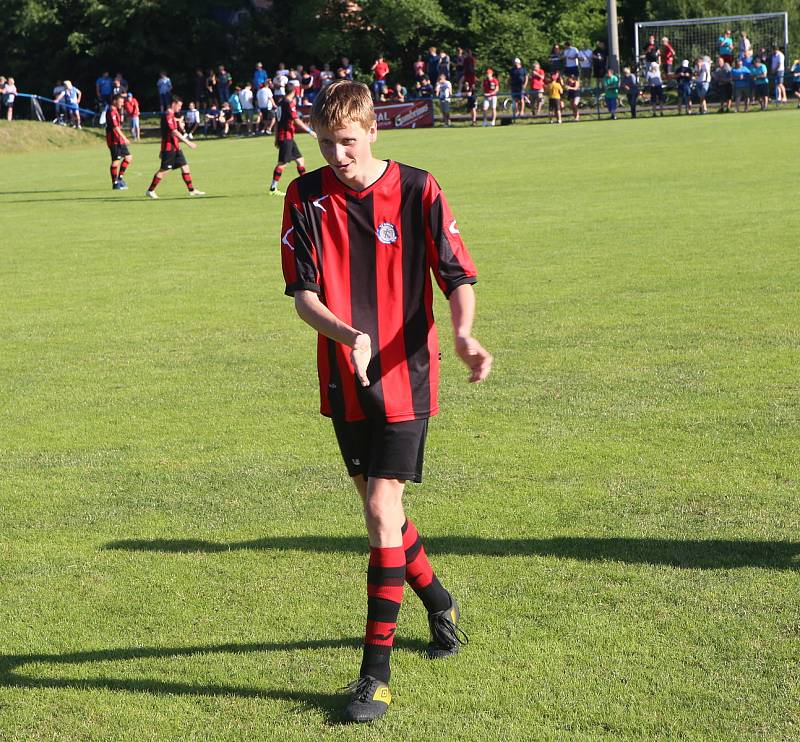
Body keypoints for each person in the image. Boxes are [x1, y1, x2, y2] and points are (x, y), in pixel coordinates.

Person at [279, 78, 491, 724]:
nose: (335, 156)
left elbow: (455, 273)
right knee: (384, 518)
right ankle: (440, 601)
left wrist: (462, 335)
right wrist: (349, 334)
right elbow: (302, 292)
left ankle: (376, 675)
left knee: (380, 510)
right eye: (323, 144)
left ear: (373, 130)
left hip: (406, 374)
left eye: (345, 142)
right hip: (344, 375)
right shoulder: (304, 196)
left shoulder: (420, 188)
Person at [146, 96, 204, 199]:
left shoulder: (172, 115)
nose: (180, 108)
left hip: (176, 147)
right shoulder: (168, 114)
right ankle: (150, 190)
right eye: (179, 106)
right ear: (174, 104)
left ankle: (192, 190)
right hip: (169, 148)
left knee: (185, 166)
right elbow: (173, 131)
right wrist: (188, 143)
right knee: (164, 171)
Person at [269, 81, 317, 196]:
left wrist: (276, 138)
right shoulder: (289, 103)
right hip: (286, 137)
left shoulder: (280, 103)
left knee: (300, 160)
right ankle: (273, 188)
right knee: (282, 163)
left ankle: (306, 186)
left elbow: (277, 122)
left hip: (286, 137)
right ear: (295, 91)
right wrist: (310, 131)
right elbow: (296, 120)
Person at [105, 93, 132, 190]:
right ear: (114, 101)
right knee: (115, 161)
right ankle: (115, 183)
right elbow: (115, 127)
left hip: (118, 139)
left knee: (128, 158)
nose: (122, 104)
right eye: (120, 102)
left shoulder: (115, 110)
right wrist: (124, 137)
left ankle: (120, 179)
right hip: (114, 140)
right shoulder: (111, 111)